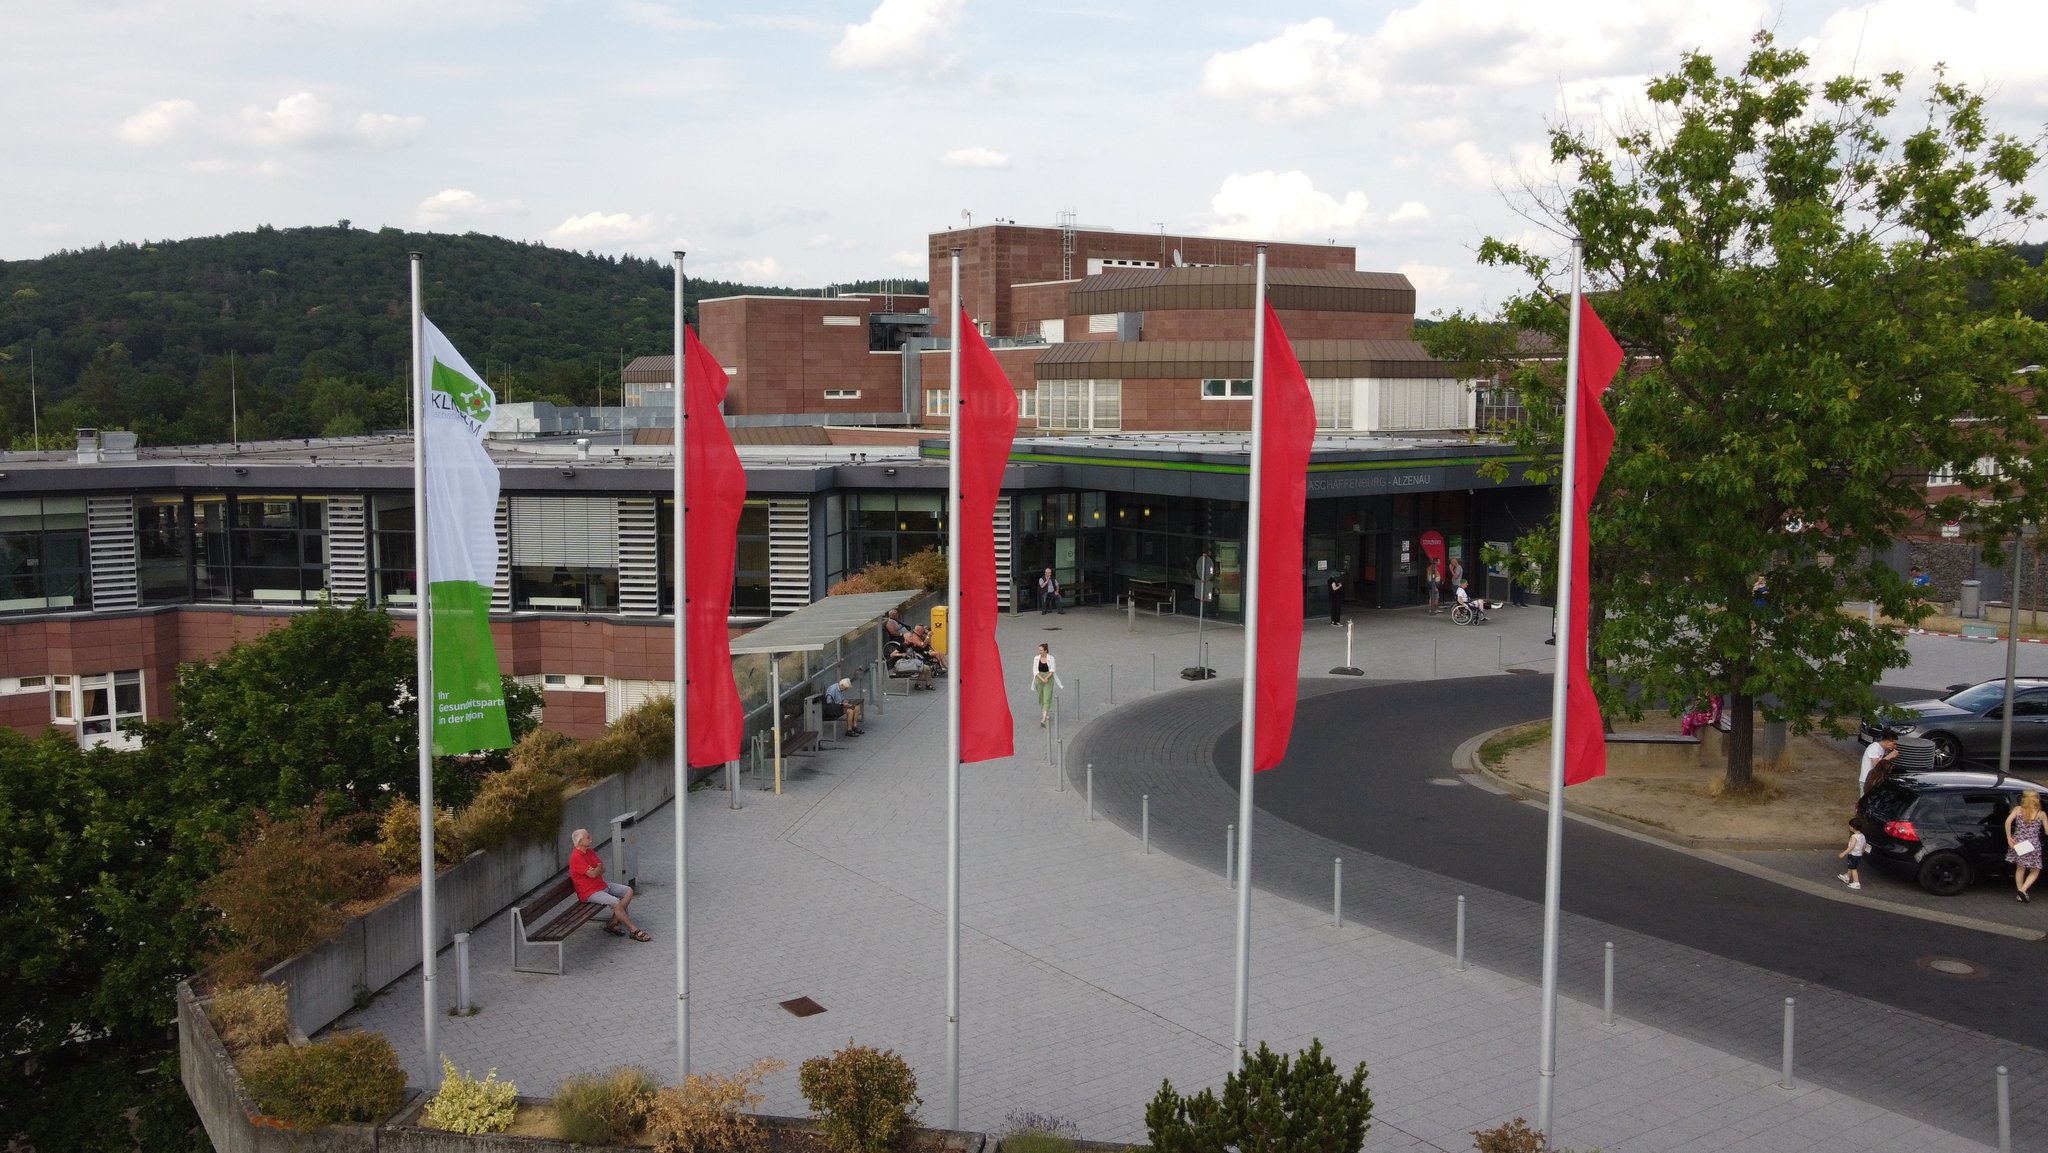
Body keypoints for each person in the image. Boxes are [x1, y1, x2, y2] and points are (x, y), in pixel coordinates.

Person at [569, 828, 647, 941]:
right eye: (588, 837)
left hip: (601, 885)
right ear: (580, 842)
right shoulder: (576, 857)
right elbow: (593, 874)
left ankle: (613, 922)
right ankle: (633, 930)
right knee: (616, 902)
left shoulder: (589, 851)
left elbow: (602, 868)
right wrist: (596, 869)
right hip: (589, 892)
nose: (591, 838)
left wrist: (596, 869)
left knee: (628, 891)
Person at [2005, 789, 2044, 903]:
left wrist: (2009, 838)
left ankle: (2019, 894)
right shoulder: (2041, 814)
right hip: (2033, 845)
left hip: (2019, 843)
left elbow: (2007, 822)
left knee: (2020, 868)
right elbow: (2047, 831)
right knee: (2035, 870)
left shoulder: (2018, 810)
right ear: (2037, 800)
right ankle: (2023, 890)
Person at [1030, 642, 1057, 726]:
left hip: (1048, 678)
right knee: (1041, 695)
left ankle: (1043, 719)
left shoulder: (1051, 658)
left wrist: (1046, 678)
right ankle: (1046, 710)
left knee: (1047, 697)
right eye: (1039, 650)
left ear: (1045, 650)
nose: (1040, 651)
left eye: (1041, 650)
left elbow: (1052, 670)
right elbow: (1035, 670)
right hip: (1039, 678)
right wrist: (1041, 678)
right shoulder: (1036, 658)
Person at [1837, 820, 1869, 890]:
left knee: (1853, 869)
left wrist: (1844, 853)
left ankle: (1856, 883)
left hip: (1853, 855)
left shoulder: (1854, 836)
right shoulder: (1862, 836)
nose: (1849, 827)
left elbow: (1851, 847)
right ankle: (1847, 877)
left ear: (1853, 827)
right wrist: (1862, 852)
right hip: (1858, 855)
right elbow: (1864, 845)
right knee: (1851, 866)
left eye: (1850, 826)